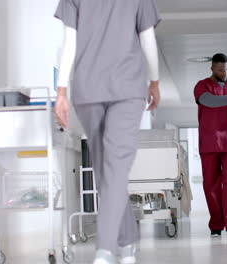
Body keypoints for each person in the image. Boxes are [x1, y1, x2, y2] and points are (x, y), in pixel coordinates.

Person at [53, 0, 161, 263]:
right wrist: (155, 81)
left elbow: (69, 41)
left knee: (113, 167)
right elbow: (147, 38)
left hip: (100, 88)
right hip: (108, 88)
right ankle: (126, 240)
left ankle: (105, 249)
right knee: (105, 170)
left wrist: (62, 90)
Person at [193, 53, 227, 237]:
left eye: (226, 70)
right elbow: (207, 101)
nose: (224, 73)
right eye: (220, 70)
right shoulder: (202, 86)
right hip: (209, 142)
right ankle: (216, 223)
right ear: (212, 68)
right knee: (211, 184)